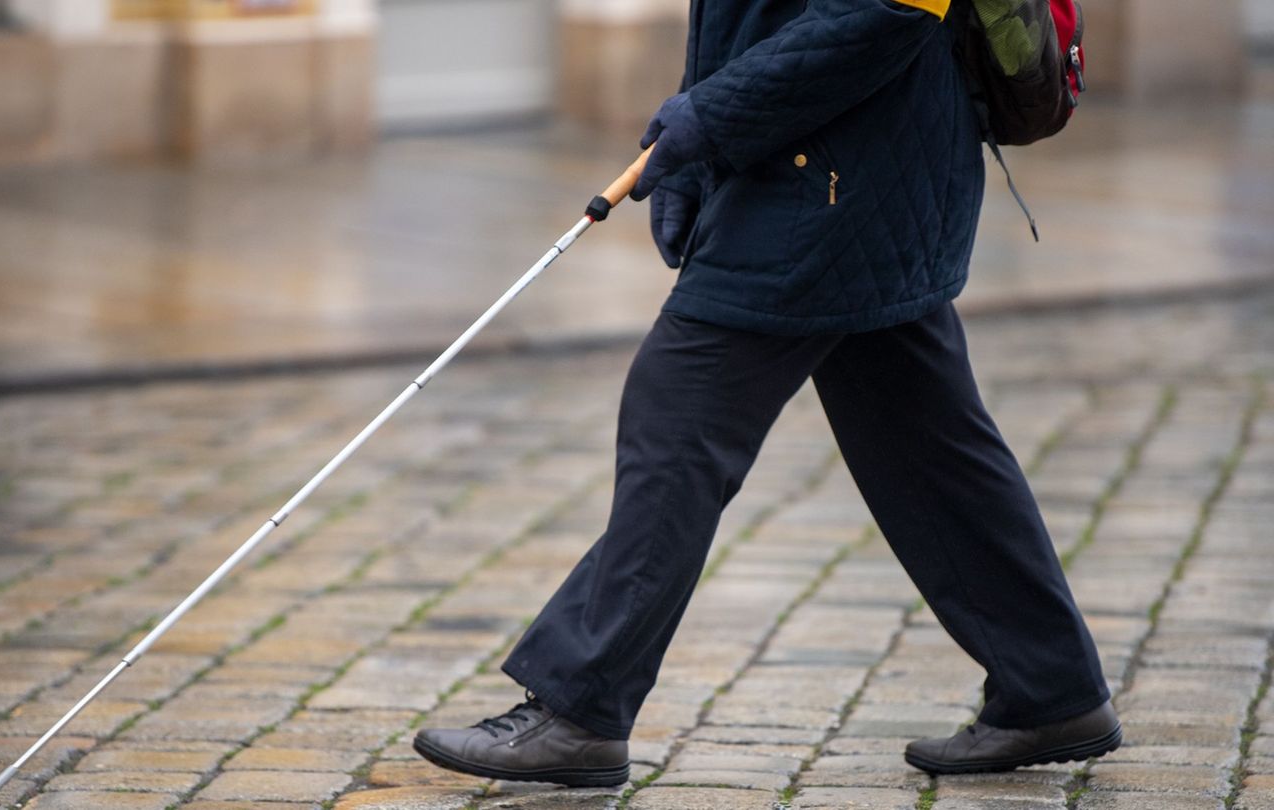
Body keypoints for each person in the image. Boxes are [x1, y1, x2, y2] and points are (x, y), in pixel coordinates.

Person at [413, 0, 1121, 785]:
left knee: (678, 411)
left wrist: (710, 119)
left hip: (838, 180)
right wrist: (695, 148)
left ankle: (580, 707)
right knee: (925, 440)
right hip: (842, 168)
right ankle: (1050, 686)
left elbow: (879, 16)